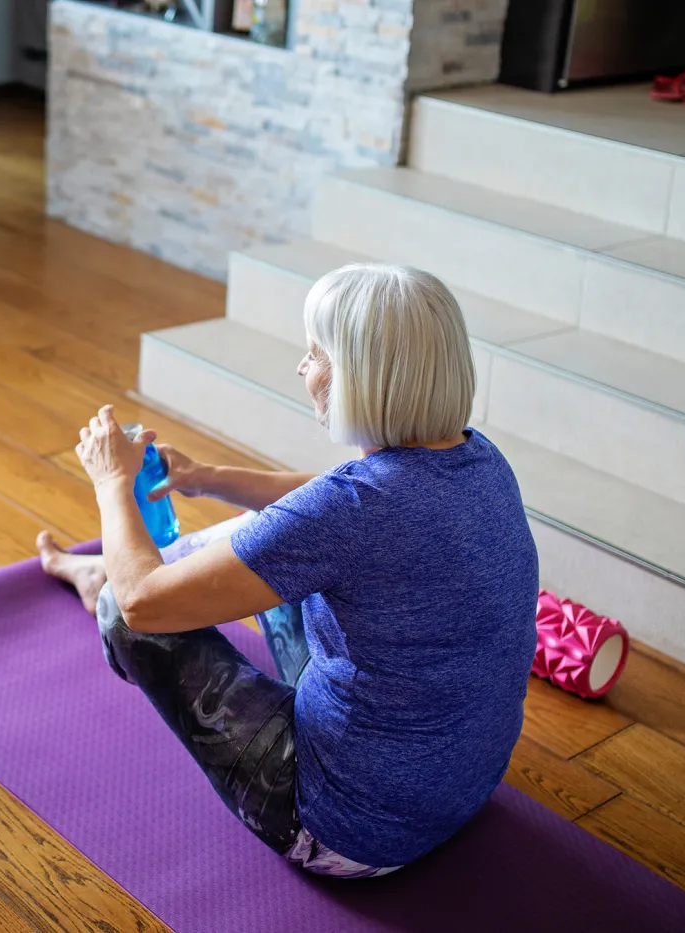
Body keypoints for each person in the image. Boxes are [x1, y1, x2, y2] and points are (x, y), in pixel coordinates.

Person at [38, 263, 539, 878]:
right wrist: (206, 477)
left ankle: (104, 580)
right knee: (277, 542)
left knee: (123, 607)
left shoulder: (351, 510)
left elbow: (145, 602)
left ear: (364, 376)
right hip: (462, 787)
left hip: (347, 833)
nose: (303, 368)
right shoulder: (479, 457)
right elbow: (328, 505)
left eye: (317, 354)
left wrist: (111, 479)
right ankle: (112, 568)